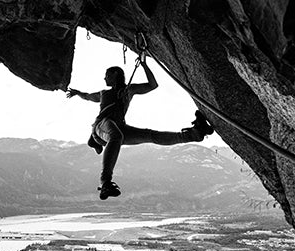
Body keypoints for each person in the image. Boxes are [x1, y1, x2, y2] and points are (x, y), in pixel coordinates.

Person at [67, 59, 214, 200]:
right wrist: (77, 93)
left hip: (119, 127)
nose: (104, 78)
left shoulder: (128, 90)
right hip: (101, 125)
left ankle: (194, 135)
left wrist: (144, 65)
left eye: (107, 75)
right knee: (116, 136)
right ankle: (104, 182)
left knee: (151, 135)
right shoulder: (104, 93)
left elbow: (153, 85)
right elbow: (87, 96)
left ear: (115, 75)